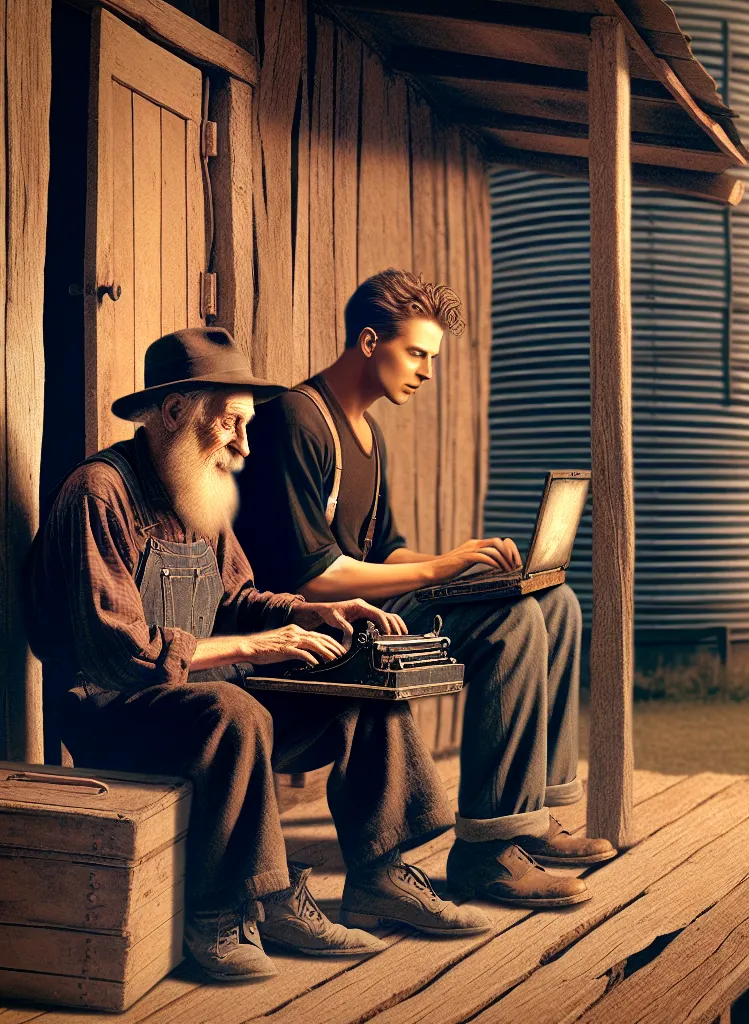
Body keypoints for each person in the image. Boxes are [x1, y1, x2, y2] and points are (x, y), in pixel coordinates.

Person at [23, 327, 490, 983]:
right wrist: (253, 645)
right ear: (177, 411)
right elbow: (118, 653)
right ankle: (222, 912)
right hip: (113, 715)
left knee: (361, 673)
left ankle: (381, 874)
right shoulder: (100, 493)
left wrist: (305, 613)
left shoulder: (195, 489)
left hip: (202, 704)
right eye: (232, 424)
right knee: (234, 710)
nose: (245, 445)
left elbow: (238, 595)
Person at [235, 270, 615, 911]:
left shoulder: (367, 435)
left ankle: (531, 818)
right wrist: (440, 572)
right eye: (416, 353)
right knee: (512, 624)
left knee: (554, 603)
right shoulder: (295, 422)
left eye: (431, 357)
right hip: (312, 627)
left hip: (370, 612)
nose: (426, 371)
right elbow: (314, 574)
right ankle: (487, 854)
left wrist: (466, 564)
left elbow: (386, 554)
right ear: (366, 341)